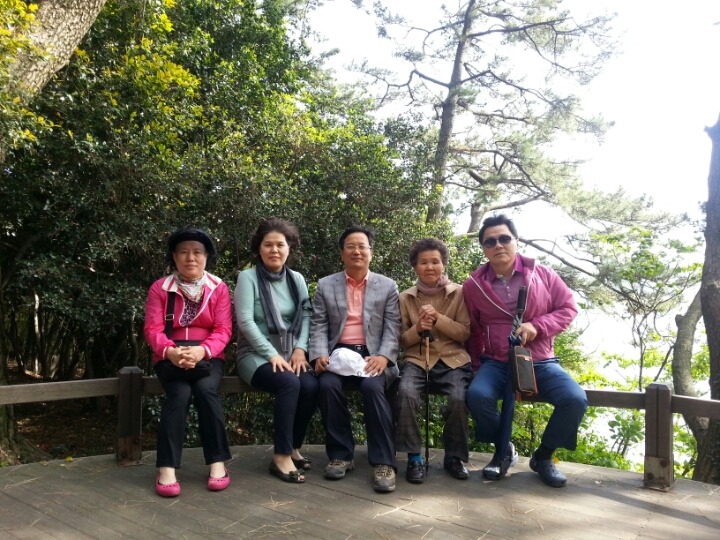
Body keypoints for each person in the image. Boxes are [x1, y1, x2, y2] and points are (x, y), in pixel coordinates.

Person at [463, 214, 587, 488]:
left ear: (516, 241)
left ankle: (544, 456)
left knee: (574, 399)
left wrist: (537, 326)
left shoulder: (543, 274)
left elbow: (568, 309)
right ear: (483, 248)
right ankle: (503, 449)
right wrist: (475, 368)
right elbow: (472, 329)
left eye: (504, 238)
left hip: (539, 359)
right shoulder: (473, 285)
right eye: (490, 241)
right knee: (477, 396)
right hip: (495, 361)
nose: (498, 245)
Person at [309, 226, 401, 493]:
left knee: (374, 388)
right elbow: (318, 324)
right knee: (327, 386)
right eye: (351, 246)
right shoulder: (326, 285)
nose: (357, 251)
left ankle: (383, 462)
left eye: (362, 246)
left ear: (371, 252)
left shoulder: (387, 286)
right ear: (342, 253)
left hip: (372, 355)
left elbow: (393, 327)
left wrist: (384, 356)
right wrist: (319, 353)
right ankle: (341, 455)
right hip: (337, 354)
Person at [144, 227, 233, 497]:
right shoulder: (160, 288)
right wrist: (171, 352)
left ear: (206, 257)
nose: (190, 257)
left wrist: (202, 351)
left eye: (197, 252)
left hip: (208, 356)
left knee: (206, 391)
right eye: (183, 252)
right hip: (169, 356)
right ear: (174, 256)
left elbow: (223, 330)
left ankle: (218, 464)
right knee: (179, 394)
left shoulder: (218, 288)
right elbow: (152, 329)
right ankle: (167, 468)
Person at [235, 218, 318, 484]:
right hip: (255, 355)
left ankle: (293, 447)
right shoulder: (248, 278)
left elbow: (307, 316)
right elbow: (245, 321)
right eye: (268, 244)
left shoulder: (297, 279)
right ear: (258, 248)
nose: (274, 250)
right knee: (289, 383)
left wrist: (301, 349)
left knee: (311, 385)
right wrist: (271, 354)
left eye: (280, 244)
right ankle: (280, 457)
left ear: (289, 248)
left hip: (291, 353)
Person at [395, 238, 473, 484]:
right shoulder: (406, 298)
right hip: (418, 359)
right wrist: (418, 328)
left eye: (435, 262)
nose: (430, 267)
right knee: (406, 393)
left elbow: (464, 333)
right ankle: (414, 457)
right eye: (423, 262)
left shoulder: (459, 293)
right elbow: (402, 340)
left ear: (443, 264)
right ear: (415, 267)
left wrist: (438, 318)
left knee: (459, 398)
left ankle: (454, 457)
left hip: (453, 359)